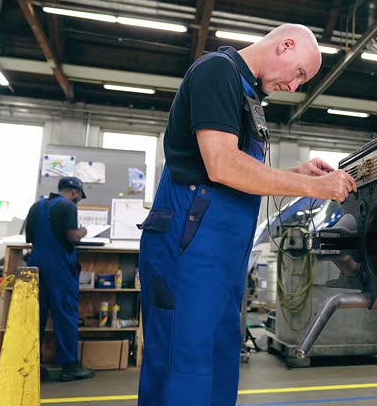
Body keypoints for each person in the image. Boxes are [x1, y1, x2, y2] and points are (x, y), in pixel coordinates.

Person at [137, 24, 357, 405]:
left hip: (221, 255)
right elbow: (222, 165)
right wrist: (314, 189)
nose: (295, 86)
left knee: (221, 358)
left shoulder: (246, 92)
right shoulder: (216, 71)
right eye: (300, 73)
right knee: (183, 361)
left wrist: (294, 175)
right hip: (189, 248)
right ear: (286, 45)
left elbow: (237, 175)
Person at [25, 176, 95, 382]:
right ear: (75, 192)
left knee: (35, 316)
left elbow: (29, 238)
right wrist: (83, 231)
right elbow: (72, 237)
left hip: (35, 264)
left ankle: (31, 365)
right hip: (59, 266)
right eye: (79, 197)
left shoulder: (36, 206)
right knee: (65, 313)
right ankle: (69, 365)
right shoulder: (68, 207)